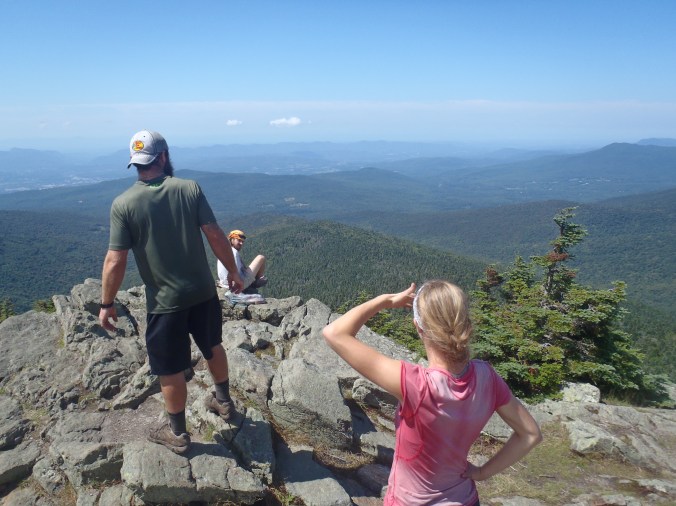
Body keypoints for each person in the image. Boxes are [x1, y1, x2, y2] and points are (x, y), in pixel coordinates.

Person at [322, 280, 542, 505]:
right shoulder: (488, 377)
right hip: (465, 498)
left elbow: (335, 333)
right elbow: (531, 434)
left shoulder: (416, 384)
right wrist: (482, 473)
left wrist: (385, 301)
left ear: (418, 327)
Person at [99, 130, 245, 456]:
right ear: (163, 157)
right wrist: (233, 273)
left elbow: (115, 260)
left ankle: (177, 433)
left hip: (165, 304)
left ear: (135, 164)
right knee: (212, 345)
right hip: (204, 292)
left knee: (170, 368)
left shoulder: (123, 204)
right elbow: (215, 235)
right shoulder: (189, 189)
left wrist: (107, 303)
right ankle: (223, 402)